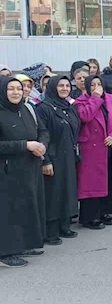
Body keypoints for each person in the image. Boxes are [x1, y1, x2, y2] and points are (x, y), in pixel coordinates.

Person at [0, 77, 48, 268]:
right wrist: (25, 145)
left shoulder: (27, 109)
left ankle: (24, 244)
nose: (16, 92)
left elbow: (43, 131)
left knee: (26, 207)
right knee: (8, 212)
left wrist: (42, 145)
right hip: (7, 170)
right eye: (10, 89)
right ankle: (6, 252)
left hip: (29, 168)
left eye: (18, 89)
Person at [75, 76, 112, 228]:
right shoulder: (81, 101)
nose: (96, 87)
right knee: (92, 183)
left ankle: (104, 212)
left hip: (111, 145)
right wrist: (95, 98)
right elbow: (85, 117)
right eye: (92, 85)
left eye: (99, 84)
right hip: (92, 149)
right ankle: (89, 217)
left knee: (108, 180)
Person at [36, 76, 80, 246]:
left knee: (67, 190)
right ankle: (51, 231)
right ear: (53, 87)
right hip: (53, 156)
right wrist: (45, 160)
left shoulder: (70, 107)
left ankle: (64, 225)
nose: (64, 88)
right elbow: (41, 134)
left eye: (67, 86)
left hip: (68, 155)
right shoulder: (44, 108)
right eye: (60, 85)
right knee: (53, 193)